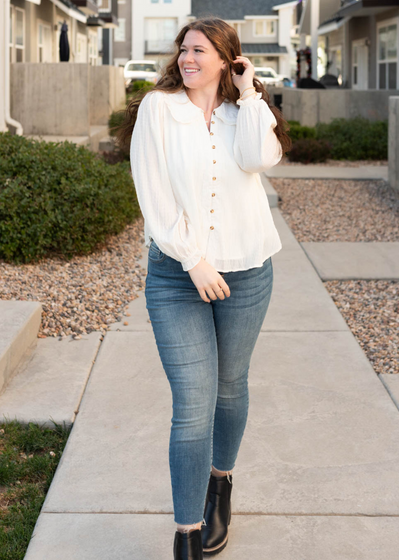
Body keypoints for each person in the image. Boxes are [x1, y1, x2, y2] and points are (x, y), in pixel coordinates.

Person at [117, 16, 292, 560]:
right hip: (177, 275)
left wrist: (248, 91)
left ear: (226, 58)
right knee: (193, 404)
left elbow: (259, 159)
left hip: (247, 271)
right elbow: (154, 195)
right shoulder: (158, 109)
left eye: (200, 50)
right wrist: (193, 260)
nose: (187, 58)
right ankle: (187, 532)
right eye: (184, 49)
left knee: (230, 387)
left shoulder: (246, 112)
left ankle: (222, 482)